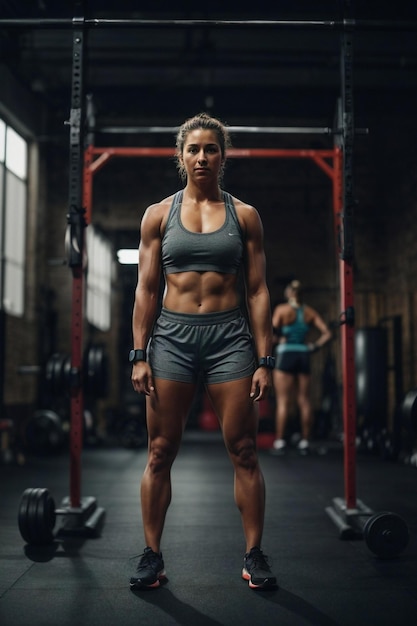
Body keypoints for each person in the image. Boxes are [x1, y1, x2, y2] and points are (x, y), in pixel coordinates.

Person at [129, 112, 277, 591]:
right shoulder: (158, 214)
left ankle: (254, 554)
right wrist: (139, 352)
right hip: (171, 338)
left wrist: (263, 358)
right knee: (159, 452)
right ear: (180, 156)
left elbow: (257, 290)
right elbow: (146, 289)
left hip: (229, 339)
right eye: (192, 149)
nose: (201, 157)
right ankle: (152, 555)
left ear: (222, 156)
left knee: (245, 451)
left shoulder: (245, 215)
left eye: (210, 149)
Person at [271, 279, 331, 456]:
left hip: (286, 354)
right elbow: (327, 333)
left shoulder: (281, 310)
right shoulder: (309, 312)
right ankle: (305, 441)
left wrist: (278, 340)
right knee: (304, 400)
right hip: (303, 354)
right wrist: (314, 346)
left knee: (283, 401)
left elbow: (272, 332)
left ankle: (280, 441)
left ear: (289, 293)